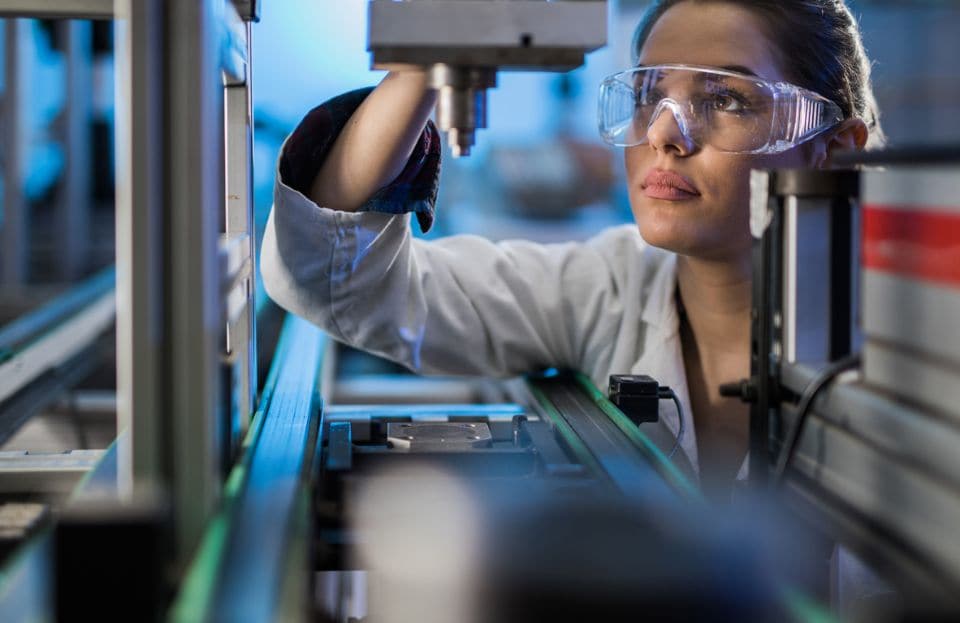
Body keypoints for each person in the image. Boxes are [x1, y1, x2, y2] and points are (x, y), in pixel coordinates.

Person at [261, 0, 884, 502]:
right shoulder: (608, 287)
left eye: (725, 100)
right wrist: (430, 59)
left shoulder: (918, 353)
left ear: (835, 151)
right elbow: (332, 276)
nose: (665, 133)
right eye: (647, 96)